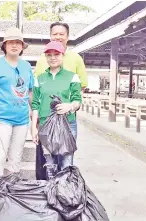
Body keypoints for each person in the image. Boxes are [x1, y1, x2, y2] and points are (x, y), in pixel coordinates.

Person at [34, 22, 87, 180]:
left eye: (61, 34)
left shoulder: (76, 59)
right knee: (48, 162)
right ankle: (49, 193)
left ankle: (65, 195)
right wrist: (36, 121)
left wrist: (70, 104)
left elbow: (79, 89)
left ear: (67, 37)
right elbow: (37, 93)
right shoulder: (42, 61)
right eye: (54, 33)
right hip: (45, 120)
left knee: (65, 159)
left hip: (65, 118)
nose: (53, 58)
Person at [0, 27, 34, 177]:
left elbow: (30, 91)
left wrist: (35, 112)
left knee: (15, 158)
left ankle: (12, 190)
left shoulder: (26, 66)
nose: (14, 45)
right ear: (4, 45)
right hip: (2, 118)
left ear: (22, 47)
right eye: (10, 42)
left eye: (18, 42)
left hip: (22, 119)